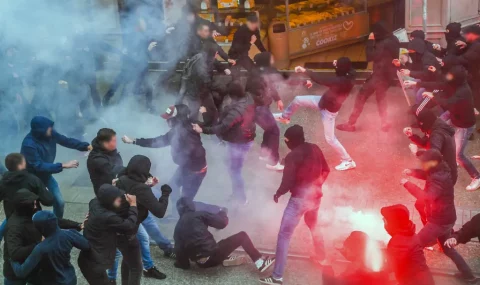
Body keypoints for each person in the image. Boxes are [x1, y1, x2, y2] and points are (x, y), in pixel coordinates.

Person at [87, 130, 172, 282]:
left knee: (141, 242)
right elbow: (159, 211)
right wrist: (165, 193)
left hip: (131, 215)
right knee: (130, 262)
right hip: (126, 221)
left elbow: (124, 173)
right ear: (104, 142)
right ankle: (112, 279)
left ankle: (149, 266)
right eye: (113, 140)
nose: (116, 143)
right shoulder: (97, 160)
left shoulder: (123, 180)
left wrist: (144, 181)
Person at [260, 125, 330, 285]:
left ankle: (277, 277)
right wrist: (317, 186)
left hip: (299, 200)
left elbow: (288, 181)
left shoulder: (293, 156)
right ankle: (322, 257)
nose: (286, 143)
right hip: (315, 198)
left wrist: (278, 193)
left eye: (286, 140)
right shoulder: (315, 148)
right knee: (313, 226)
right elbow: (326, 169)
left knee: (284, 235)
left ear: (293, 140)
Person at [401, 149, 478, 284]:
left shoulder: (438, 179)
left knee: (416, 244)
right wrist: (413, 172)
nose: (422, 165)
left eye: (424, 163)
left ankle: (414, 275)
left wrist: (407, 184)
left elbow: (426, 197)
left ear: (432, 163)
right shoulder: (440, 169)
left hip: (438, 221)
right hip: (447, 218)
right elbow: (428, 175)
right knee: (448, 249)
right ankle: (468, 276)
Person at [274, 57, 357, 171]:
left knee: (330, 139)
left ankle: (348, 161)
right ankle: (285, 117)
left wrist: (305, 70)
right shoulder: (351, 73)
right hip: (323, 102)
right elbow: (342, 70)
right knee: (298, 99)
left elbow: (320, 79)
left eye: (338, 66)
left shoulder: (341, 82)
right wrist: (336, 65)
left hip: (329, 111)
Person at [122, 105, 208, 209]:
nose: (167, 121)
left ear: (178, 119)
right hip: (185, 168)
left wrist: (189, 165)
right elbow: (156, 142)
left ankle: (214, 211)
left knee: (186, 200)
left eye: (170, 119)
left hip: (195, 172)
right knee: (172, 187)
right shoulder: (178, 131)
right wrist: (133, 141)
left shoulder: (186, 133)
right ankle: (175, 214)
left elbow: (199, 153)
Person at [193, 82, 256, 205]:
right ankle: (238, 194)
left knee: (235, 170)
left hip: (239, 142)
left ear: (233, 95)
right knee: (234, 167)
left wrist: (203, 130)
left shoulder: (235, 112)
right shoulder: (248, 97)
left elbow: (222, 127)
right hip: (246, 138)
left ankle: (241, 198)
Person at [174, 197, 275, 271]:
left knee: (219, 244)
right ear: (192, 205)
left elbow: (180, 252)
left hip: (201, 263)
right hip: (213, 255)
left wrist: (181, 264)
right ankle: (260, 263)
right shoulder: (198, 215)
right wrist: (223, 212)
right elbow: (222, 223)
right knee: (242, 236)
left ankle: (224, 258)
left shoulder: (177, 228)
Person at [422, 65, 480, 191]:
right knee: (438, 124)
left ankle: (477, 177)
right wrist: (416, 83)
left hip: (464, 125)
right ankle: (437, 152)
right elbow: (442, 83)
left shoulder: (462, 92)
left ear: (456, 80)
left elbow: (447, 103)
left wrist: (433, 96)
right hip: (455, 116)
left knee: (459, 155)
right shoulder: (458, 83)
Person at [4, 190, 81, 285]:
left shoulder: (33, 212)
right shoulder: (15, 227)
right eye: (33, 204)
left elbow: (53, 221)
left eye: (36, 202)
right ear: (23, 207)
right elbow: (15, 253)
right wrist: (39, 244)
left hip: (35, 267)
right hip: (16, 273)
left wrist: (77, 225)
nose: (36, 206)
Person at [20, 116, 91, 218]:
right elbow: (38, 165)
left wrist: (85, 146)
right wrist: (62, 165)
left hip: (46, 176)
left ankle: (56, 225)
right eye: (48, 128)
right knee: (24, 210)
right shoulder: (29, 144)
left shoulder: (50, 134)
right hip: (31, 179)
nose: (51, 130)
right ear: (40, 130)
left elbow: (66, 141)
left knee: (59, 202)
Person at [337, 21, 400, 132]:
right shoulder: (394, 39)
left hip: (379, 75)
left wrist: (370, 41)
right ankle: (384, 122)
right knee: (381, 97)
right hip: (389, 73)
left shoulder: (382, 44)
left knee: (361, 96)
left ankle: (350, 124)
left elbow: (370, 57)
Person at [78, 185, 139, 285]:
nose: (120, 199)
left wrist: (113, 189)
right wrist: (133, 205)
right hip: (94, 264)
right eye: (117, 197)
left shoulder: (94, 202)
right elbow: (129, 224)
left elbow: (109, 200)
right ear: (109, 200)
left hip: (88, 259)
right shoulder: (108, 217)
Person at [9, 210, 90, 285]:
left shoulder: (40, 248)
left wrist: (12, 258)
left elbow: (22, 272)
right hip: (71, 279)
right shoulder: (69, 234)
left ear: (40, 229)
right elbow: (86, 245)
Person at [0, 153, 54, 241]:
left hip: (12, 226)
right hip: (33, 225)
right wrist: (46, 191)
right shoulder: (32, 180)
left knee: (13, 250)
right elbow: (49, 201)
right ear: (21, 164)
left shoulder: (3, 182)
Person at [245, 52, 284, 170]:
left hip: (260, 107)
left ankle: (264, 154)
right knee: (274, 130)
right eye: (271, 59)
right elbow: (267, 88)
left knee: (269, 129)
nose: (273, 60)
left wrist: (278, 99)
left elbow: (270, 86)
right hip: (259, 107)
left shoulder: (260, 71)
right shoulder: (259, 75)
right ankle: (273, 162)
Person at [381, 204, 435, 285]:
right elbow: (398, 253)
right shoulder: (409, 233)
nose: (384, 222)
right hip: (422, 278)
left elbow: (390, 266)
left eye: (385, 221)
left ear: (393, 223)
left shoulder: (398, 241)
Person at [403, 107, 457, 184]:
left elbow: (433, 156)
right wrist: (412, 136)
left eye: (421, 125)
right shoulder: (435, 125)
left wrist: (416, 153)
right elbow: (426, 143)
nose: (421, 128)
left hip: (446, 177)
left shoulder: (437, 135)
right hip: (445, 172)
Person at [178, 41, 225, 123]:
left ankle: (208, 126)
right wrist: (221, 87)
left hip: (197, 89)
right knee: (195, 111)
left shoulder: (201, 56)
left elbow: (214, 61)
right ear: (212, 53)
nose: (217, 55)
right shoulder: (201, 66)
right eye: (216, 53)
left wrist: (224, 68)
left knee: (210, 109)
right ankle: (193, 128)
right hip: (195, 91)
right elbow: (208, 83)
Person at [321, 231, 391, 285]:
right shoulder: (378, 264)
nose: (345, 251)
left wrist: (328, 263)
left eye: (346, 248)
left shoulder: (354, 269)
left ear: (352, 249)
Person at [443, 25, 480, 113]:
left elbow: (465, 59)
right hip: (474, 74)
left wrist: (445, 61)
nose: (464, 36)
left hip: (475, 76)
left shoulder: (477, 46)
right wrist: (466, 45)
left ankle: (474, 113)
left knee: (474, 94)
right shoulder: (475, 44)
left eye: (466, 34)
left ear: (472, 34)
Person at [399, 38, 442, 104]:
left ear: (417, 50)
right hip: (427, 79)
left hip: (435, 82)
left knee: (419, 94)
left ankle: (419, 108)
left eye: (411, 52)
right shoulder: (420, 56)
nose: (410, 53)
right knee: (415, 83)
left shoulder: (427, 58)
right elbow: (415, 69)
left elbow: (427, 74)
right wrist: (403, 64)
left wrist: (410, 73)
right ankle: (418, 105)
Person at [228, 14, 267, 79]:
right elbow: (239, 49)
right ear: (247, 23)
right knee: (236, 78)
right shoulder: (240, 32)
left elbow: (258, 43)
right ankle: (234, 87)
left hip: (244, 56)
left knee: (255, 72)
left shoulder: (255, 30)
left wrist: (265, 53)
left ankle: (251, 86)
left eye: (255, 24)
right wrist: (251, 42)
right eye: (252, 24)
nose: (254, 26)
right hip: (235, 56)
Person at [87, 128, 124, 195]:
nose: (116, 143)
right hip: (106, 194)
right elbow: (114, 171)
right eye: (114, 141)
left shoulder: (108, 150)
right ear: (105, 143)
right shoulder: (97, 159)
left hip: (114, 187)